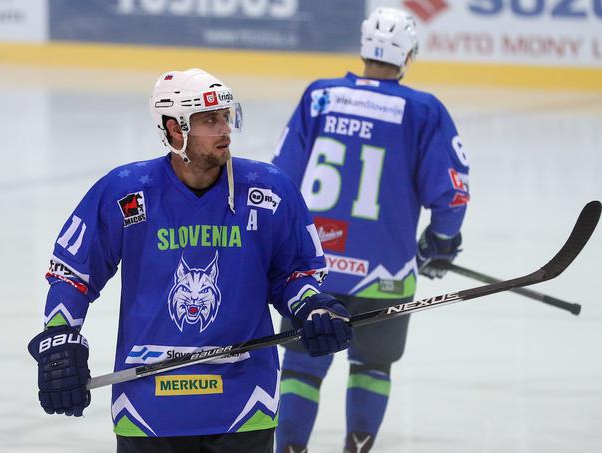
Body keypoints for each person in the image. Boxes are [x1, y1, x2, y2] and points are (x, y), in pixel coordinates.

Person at [27, 68, 354, 453]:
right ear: (174, 128)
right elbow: (72, 273)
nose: (224, 130)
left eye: (226, 117)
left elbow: (294, 273)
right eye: (209, 120)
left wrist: (312, 306)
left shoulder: (269, 190)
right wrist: (60, 335)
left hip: (245, 402)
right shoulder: (126, 192)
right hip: (148, 407)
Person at [271, 7, 471, 452]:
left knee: (302, 363)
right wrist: (441, 242)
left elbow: (279, 178)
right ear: (409, 54)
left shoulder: (319, 97)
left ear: (364, 47)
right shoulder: (423, 110)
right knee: (373, 366)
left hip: (313, 273)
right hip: (385, 274)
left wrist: (272, 245)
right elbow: (452, 193)